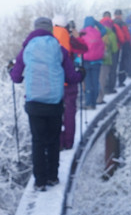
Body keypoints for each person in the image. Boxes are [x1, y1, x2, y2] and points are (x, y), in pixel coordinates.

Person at [9, 16, 82, 191]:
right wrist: (82, 74)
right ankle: (53, 177)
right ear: (50, 30)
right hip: (55, 102)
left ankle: (40, 180)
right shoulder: (59, 48)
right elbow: (72, 77)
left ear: (35, 29)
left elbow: (16, 77)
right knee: (53, 140)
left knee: (38, 141)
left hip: (34, 103)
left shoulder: (27, 49)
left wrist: (11, 69)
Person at [52, 14, 87, 149]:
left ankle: (59, 142)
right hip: (69, 81)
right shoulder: (70, 39)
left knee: (56, 113)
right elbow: (84, 49)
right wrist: (77, 36)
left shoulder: (48, 38)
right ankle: (68, 142)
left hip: (54, 82)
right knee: (70, 112)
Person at [79, 16, 106, 110]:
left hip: (86, 61)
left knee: (87, 83)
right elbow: (104, 29)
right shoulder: (98, 33)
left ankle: (88, 103)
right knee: (95, 82)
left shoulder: (82, 32)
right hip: (97, 61)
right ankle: (94, 103)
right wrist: (96, 22)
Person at [98, 12, 120, 97]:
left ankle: (94, 96)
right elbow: (115, 49)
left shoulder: (98, 31)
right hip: (108, 58)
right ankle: (104, 93)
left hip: (98, 58)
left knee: (99, 77)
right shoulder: (112, 34)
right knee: (106, 75)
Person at [112, 9, 131, 86]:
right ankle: (120, 81)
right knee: (122, 64)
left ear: (114, 15)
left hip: (111, 47)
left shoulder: (111, 23)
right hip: (122, 46)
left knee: (113, 65)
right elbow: (127, 35)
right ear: (121, 15)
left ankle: (111, 83)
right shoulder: (123, 24)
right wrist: (129, 44)